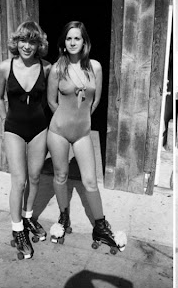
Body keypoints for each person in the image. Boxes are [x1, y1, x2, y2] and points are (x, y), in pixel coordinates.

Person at [47, 21, 125, 252]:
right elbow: (51, 101)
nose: (72, 42)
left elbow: (96, 99)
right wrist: (64, 118)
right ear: (64, 42)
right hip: (58, 131)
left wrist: (82, 120)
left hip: (83, 133)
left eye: (77, 38)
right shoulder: (56, 69)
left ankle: (100, 226)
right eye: (69, 38)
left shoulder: (95, 68)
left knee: (90, 181)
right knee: (60, 176)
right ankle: (63, 217)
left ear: (84, 42)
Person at [0, 21, 51, 260]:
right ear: (16, 42)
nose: (27, 46)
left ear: (39, 45)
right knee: (19, 181)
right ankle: (17, 230)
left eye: (33, 41)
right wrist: (6, 120)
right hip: (14, 129)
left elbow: (53, 99)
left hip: (40, 128)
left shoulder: (47, 68)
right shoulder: (5, 67)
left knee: (35, 177)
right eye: (23, 41)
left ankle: (27, 219)